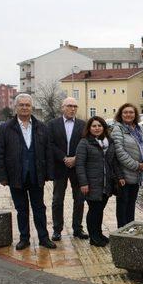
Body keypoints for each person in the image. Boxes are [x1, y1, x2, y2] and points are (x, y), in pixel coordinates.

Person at [0, 94, 56, 250]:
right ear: (16, 107)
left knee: (39, 208)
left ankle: (44, 238)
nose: (24, 107)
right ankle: (24, 238)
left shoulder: (41, 127)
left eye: (27, 105)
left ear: (31, 107)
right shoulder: (5, 128)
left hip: (36, 175)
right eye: (21, 105)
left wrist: (49, 173)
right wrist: (2, 176)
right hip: (16, 176)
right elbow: (0, 153)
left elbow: (48, 152)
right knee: (21, 209)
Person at [76, 116, 125, 246]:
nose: (97, 128)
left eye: (99, 126)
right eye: (94, 126)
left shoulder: (109, 141)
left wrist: (120, 176)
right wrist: (83, 183)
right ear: (89, 128)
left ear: (104, 127)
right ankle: (94, 237)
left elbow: (114, 162)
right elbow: (80, 164)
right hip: (92, 184)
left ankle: (98, 234)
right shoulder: (84, 143)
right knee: (94, 210)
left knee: (99, 209)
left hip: (106, 183)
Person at [48, 97, 88, 241]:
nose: (72, 109)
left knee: (79, 199)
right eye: (69, 106)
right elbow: (50, 144)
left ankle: (77, 229)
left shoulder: (83, 125)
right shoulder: (52, 124)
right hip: (60, 166)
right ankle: (57, 229)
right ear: (62, 107)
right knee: (58, 199)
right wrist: (64, 158)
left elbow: (86, 143)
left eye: (75, 106)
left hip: (78, 167)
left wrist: (76, 158)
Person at [111, 103, 143, 228]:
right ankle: (121, 232)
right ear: (120, 115)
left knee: (132, 204)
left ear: (135, 114)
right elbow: (119, 152)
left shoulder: (139, 128)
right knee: (123, 204)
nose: (128, 115)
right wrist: (137, 165)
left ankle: (130, 230)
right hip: (123, 174)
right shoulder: (118, 129)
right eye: (125, 112)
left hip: (137, 175)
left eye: (131, 112)